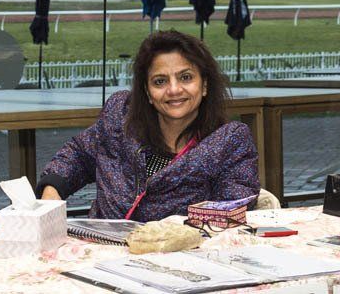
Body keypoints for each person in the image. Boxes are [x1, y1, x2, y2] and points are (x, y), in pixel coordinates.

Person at [37, 30, 259, 221]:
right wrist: (51, 191)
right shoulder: (120, 115)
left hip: (178, 260)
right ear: (147, 92)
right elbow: (80, 154)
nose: (173, 90)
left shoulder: (229, 141)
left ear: (204, 85)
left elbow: (233, 211)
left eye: (186, 77)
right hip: (99, 252)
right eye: (160, 81)